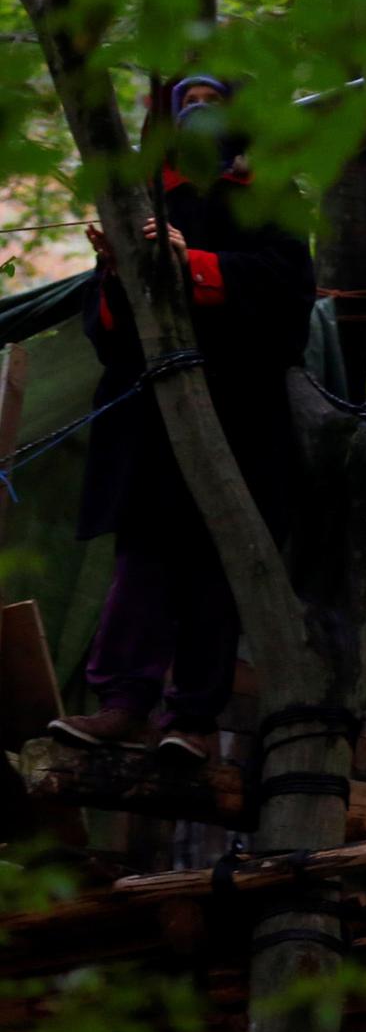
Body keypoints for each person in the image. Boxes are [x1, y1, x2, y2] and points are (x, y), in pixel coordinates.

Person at [48, 75, 315, 762]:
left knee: (216, 566)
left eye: (211, 103)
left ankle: (193, 720)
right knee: (143, 559)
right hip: (153, 419)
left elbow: (286, 293)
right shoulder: (143, 200)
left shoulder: (268, 197)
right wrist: (119, 271)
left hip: (240, 414)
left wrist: (190, 264)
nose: (198, 113)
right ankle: (122, 705)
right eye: (187, 104)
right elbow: (108, 334)